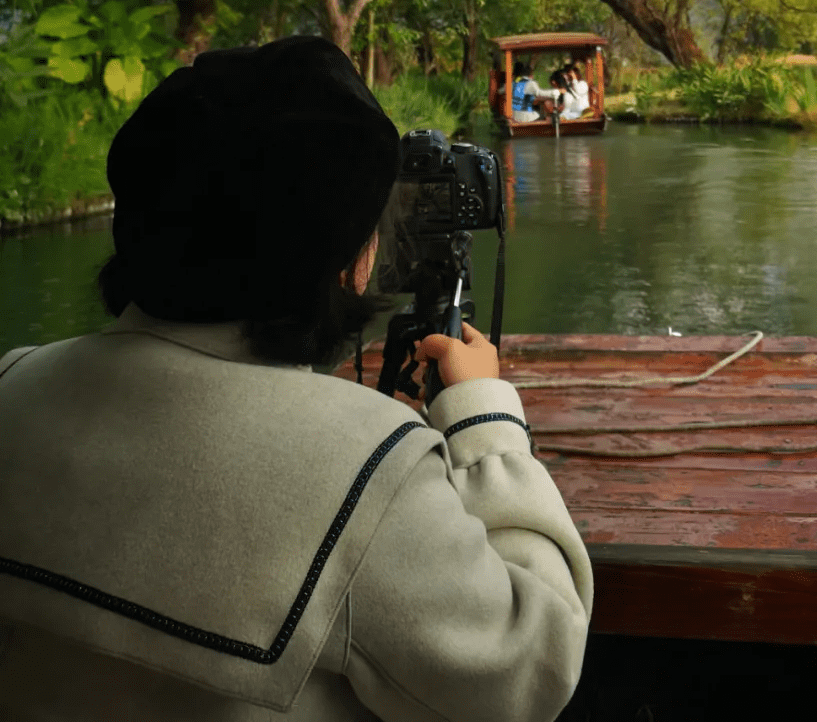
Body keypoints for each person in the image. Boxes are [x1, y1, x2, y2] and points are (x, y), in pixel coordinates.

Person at [0, 36, 592, 720]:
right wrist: (484, 418)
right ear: (349, 262)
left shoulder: (13, 383)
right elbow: (533, 671)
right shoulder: (368, 470)